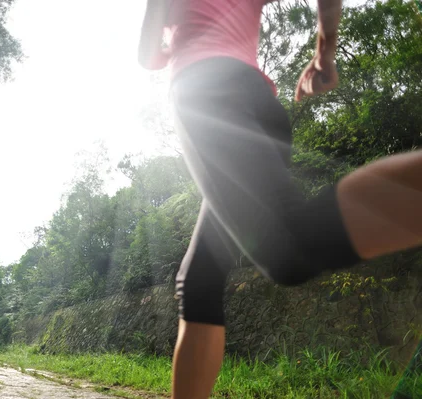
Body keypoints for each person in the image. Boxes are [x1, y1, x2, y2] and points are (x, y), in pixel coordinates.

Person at [138, 0, 422, 398]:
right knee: (199, 277)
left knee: (290, 249)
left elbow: (149, 55)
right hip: (260, 105)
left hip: (206, 93)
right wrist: (324, 50)